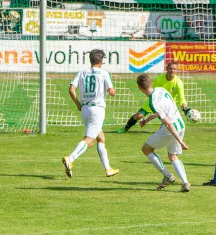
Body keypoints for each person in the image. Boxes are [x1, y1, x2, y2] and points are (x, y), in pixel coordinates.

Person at [62, 49, 120, 178]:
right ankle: (70, 159)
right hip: (97, 110)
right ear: (101, 61)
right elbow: (111, 92)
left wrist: (78, 104)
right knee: (89, 140)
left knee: (100, 138)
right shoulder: (104, 73)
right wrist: (112, 89)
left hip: (85, 110)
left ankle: (108, 169)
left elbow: (71, 89)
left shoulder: (82, 72)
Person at [136, 74, 191, 192]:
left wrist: (180, 142)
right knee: (173, 156)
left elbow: (168, 123)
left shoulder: (153, 102)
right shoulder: (161, 90)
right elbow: (160, 112)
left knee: (146, 149)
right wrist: (146, 120)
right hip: (180, 124)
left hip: (170, 129)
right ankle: (185, 183)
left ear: (140, 88)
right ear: (151, 83)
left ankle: (167, 175)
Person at [118, 61, 188, 133]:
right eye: (170, 68)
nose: (172, 70)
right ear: (167, 68)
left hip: (166, 105)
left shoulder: (179, 83)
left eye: (174, 69)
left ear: (177, 70)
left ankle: (166, 133)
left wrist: (185, 108)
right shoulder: (160, 78)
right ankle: (125, 128)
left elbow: (181, 98)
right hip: (154, 100)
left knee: (166, 121)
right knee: (138, 116)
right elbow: (151, 91)